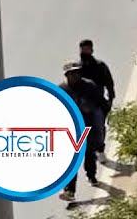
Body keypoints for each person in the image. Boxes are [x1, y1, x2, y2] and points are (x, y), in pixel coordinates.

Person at [58, 61, 104, 201]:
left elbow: (100, 103)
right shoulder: (62, 89)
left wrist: (90, 108)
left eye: (76, 73)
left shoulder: (89, 86)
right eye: (71, 74)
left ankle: (91, 176)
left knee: (89, 154)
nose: (74, 76)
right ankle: (70, 191)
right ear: (66, 75)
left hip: (88, 126)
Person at [77, 39, 116, 155]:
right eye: (82, 49)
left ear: (91, 50)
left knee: (99, 127)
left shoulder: (100, 66)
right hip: (82, 104)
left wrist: (110, 99)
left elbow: (109, 82)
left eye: (87, 49)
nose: (84, 52)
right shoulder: (77, 69)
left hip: (98, 102)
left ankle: (100, 149)